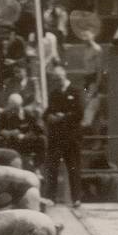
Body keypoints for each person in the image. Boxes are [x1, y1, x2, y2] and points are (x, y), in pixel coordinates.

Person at [43, 65, 84, 207]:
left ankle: (76, 198)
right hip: (56, 137)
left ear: (64, 75)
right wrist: (49, 117)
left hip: (72, 137)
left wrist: (63, 117)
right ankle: (51, 197)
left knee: (73, 167)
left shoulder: (76, 91)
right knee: (52, 167)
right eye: (55, 78)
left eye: (59, 77)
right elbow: (46, 113)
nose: (57, 80)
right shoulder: (54, 93)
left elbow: (79, 113)